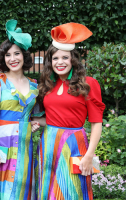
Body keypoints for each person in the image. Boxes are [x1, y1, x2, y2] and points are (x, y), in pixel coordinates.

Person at [36, 23, 105, 200]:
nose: (60, 62)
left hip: (74, 144)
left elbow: (96, 123)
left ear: (73, 60)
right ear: (50, 62)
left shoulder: (87, 84)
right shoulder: (49, 85)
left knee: (73, 190)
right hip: (48, 143)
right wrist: (36, 122)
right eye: (55, 58)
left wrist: (89, 155)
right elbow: (52, 118)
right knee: (48, 190)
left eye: (65, 58)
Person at [0, 19, 44, 200]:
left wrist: (32, 123)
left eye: (17, 54)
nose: (12, 59)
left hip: (24, 144)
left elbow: (36, 117)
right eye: (8, 55)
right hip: (1, 143)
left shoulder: (33, 85)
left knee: (21, 187)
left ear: (24, 56)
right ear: (3, 59)